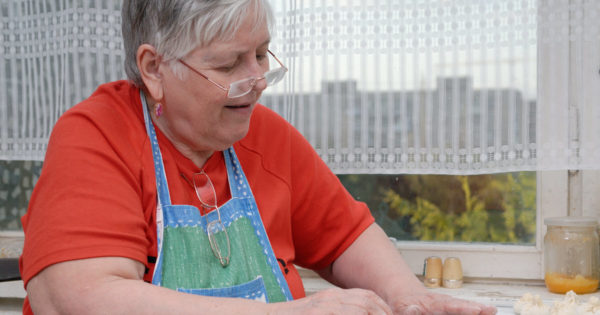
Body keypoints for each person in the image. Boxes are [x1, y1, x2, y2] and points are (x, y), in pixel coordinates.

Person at [19, 0, 497, 314]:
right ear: (153, 68)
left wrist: (407, 295)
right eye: (229, 64)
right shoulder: (98, 136)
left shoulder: (264, 136)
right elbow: (76, 297)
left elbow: (346, 237)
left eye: (263, 54)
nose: (258, 80)